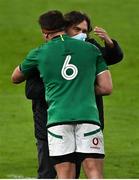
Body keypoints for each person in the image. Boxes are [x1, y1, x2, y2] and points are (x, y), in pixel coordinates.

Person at [11, 10, 113, 178]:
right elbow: (106, 87)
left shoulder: (39, 53)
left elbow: (15, 77)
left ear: (45, 33)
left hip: (58, 120)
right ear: (64, 28)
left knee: (65, 174)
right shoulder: (91, 49)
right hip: (88, 118)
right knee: (94, 171)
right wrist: (80, 88)